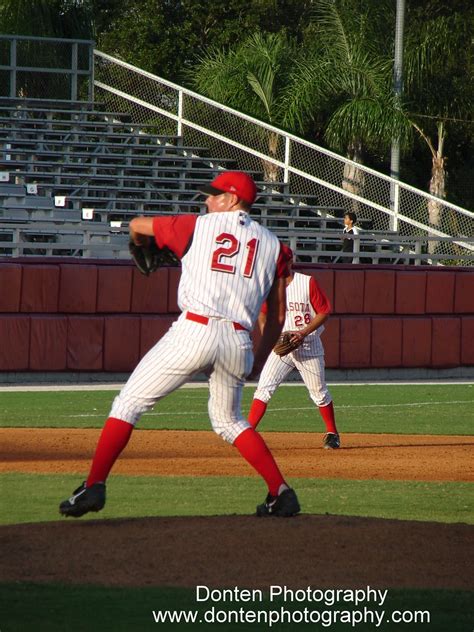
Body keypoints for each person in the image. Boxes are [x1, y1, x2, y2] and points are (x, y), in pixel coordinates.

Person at [59, 171, 300, 518]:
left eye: (214, 195)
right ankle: (281, 492)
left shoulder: (196, 226)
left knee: (128, 404)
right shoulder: (276, 246)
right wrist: (259, 361)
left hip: (195, 329)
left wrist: (141, 245)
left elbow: (137, 224)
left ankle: (94, 485)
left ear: (232, 200)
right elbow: (276, 317)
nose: (207, 200)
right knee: (230, 421)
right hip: (238, 340)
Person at [248, 249, 340, 449]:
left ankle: (332, 433)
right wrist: (268, 336)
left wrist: (304, 333)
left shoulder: (307, 282)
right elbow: (262, 315)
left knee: (319, 392)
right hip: (281, 346)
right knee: (264, 388)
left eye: (282, 260)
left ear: (291, 261)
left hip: (307, 343)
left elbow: (324, 312)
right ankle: (247, 433)